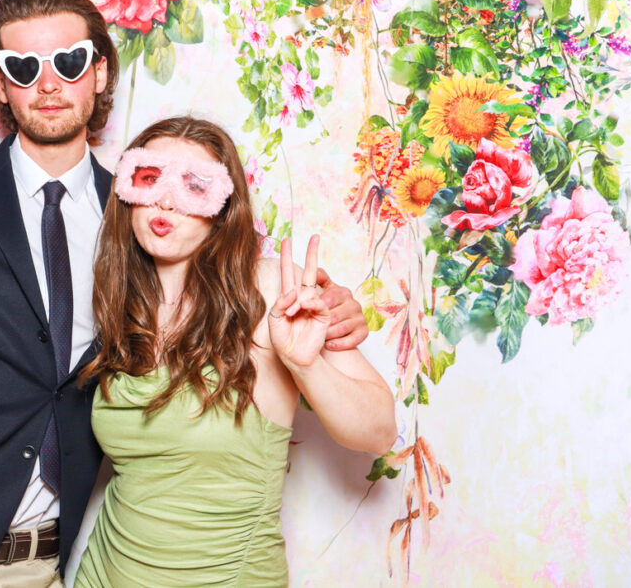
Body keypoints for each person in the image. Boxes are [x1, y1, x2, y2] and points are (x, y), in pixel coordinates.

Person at [0, 0, 368, 587]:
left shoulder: (147, 214)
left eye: (68, 61)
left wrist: (338, 318)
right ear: (0, 85)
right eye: (23, 67)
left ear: (99, 73)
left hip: (38, 567)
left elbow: (232, 289)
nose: (48, 83)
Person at [75, 117, 397, 587]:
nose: (165, 199)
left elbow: (380, 433)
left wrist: (305, 367)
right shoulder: (120, 306)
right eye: (150, 178)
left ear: (224, 209)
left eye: (194, 185)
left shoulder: (268, 290)